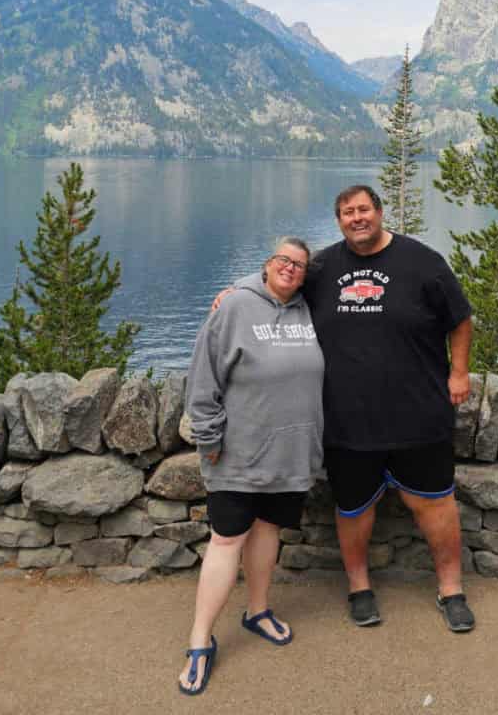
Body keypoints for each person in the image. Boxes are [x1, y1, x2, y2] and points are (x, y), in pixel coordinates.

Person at [214, 185, 476, 633]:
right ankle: (359, 588)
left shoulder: (423, 262)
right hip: (346, 419)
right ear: (338, 221)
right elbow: (279, 280)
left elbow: (461, 318)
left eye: (363, 210)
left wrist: (459, 372)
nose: (357, 218)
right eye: (347, 212)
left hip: (419, 413)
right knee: (353, 509)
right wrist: (235, 292)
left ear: (379, 212)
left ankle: (451, 589)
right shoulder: (322, 268)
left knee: (436, 507)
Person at [178, 237, 324, 697]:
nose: (291, 268)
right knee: (226, 539)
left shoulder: (308, 311)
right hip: (238, 454)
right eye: (283, 260)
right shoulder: (235, 307)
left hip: (290, 454)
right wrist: (209, 439)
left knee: (267, 531)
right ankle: (200, 639)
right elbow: (202, 381)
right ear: (266, 265)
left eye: (299, 265)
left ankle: (257, 611)